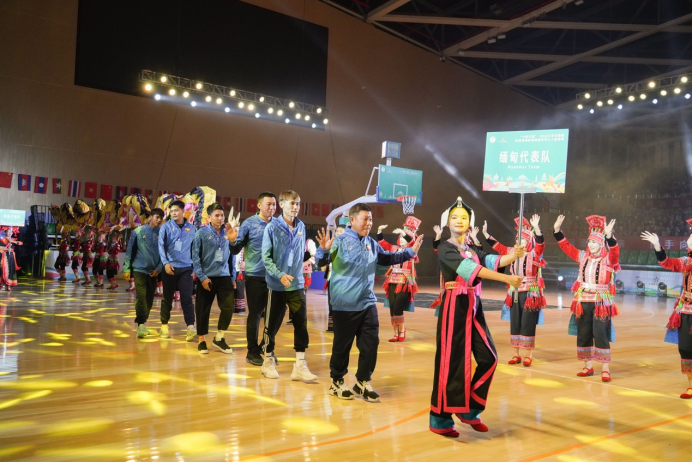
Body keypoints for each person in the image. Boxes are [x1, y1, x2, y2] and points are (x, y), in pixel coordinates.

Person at [429, 197, 524, 438]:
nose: (459, 220)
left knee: (489, 358)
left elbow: (491, 261)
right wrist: (507, 279)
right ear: (447, 222)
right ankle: (440, 419)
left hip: (473, 305)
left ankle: (471, 410)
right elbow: (471, 270)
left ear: (470, 223)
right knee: (451, 363)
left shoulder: (471, 249)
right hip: (454, 306)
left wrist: (514, 255)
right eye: (454, 217)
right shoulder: (445, 248)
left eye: (463, 217)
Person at [315, 203, 424, 402]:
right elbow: (321, 263)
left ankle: (362, 381)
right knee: (342, 346)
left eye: (371, 219)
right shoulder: (340, 242)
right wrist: (322, 251)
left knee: (370, 344)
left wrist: (410, 252)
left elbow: (388, 258)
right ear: (352, 220)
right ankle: (337, 381)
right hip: (345, 304)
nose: (369, 223)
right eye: (365, 219)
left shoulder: (371, 243)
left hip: (367, 302)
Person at [553, 215, 619, 383]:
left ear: (601, 243)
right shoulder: (583, 256)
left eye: (594, 242)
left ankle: (605, 369)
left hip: (600, 302)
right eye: (589, 242)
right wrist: (557, 231)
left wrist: (609, 236)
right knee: (583, 334)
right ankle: (588, 366)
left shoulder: (608, 259)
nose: (591, 245)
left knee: (600, 333)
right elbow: (567, 247)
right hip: (582, 301)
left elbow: (615, 252)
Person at [260, 190, 317, 381]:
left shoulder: (301, 226)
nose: (295, 207)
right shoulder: (272, 227)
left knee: (301, 323)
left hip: (296, 284)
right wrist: (280, 275)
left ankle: (300, 364)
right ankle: (268, 360)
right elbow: (266, 258)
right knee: (271, 324)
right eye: (292, 203)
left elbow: (300, 254)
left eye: (298, 204)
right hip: (277, 284)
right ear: (282, 204)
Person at [483, 215, 546, 367]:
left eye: (522, 239)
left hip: (530, 292)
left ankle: (528, 354)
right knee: (515, 322)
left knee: (528, 323)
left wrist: (536, 228)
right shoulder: (511, 251)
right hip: (514, 291)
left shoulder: (535, 253)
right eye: (517, 239)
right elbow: (498, 247)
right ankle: (516, 353)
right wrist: (486, 234)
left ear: (528, 241)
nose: (518, 241)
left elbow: (540, 244)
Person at [641, 219, 692, 399]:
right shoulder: (686, 260)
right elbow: (667, 263)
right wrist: (657, 246)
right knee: (686, 349)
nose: (690, 238)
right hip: (686, 310)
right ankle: (691, 385)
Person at [229, 192, 277, 366]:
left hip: (275, 277)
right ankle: (252, 351)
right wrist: (232, 240)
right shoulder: (249, 223)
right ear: (259, 205)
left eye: (274, 204)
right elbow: (236, 249)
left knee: (274, 315)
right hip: (255, 276)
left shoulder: (278, 224)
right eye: (268, 204)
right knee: (255, 315)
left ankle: (267, 347)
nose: (272, 207)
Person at [192, 203, 239, 355]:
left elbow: (232, 256)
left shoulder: (228, 232)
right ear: (209, 217)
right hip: (207, 277)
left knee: (229, 307)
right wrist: (202, 277)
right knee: (202, 309)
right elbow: (195, 257)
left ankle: (219, 337)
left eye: (222, 215)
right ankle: (201, 340)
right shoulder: (201, 233)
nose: (220, 218)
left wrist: (232, 276)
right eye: (217, 215)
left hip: (224, 276)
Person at [158, 200, 197, 341]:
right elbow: (161, 246)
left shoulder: (192, 228)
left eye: (176, 210)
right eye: (171, 211)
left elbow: (195, 249)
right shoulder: (166, 227)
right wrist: (165, 263)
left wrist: (195, 267)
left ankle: (190, 326)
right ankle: (164, 325)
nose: (173, 213)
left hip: (186, 268)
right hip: (170, 268)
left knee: (187, 298)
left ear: (183, 211)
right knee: (167, 298)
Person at [377, 216, 421, 343]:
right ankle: (395, 333)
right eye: (400, 236)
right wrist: (379, 231)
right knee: (392, 308)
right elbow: (383, 244)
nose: (401, 238)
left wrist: (403, 232)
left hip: (405, 282)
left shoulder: (412, 251)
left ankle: (402, 330)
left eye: (404, 237)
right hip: (392, 280)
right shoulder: (394, 249)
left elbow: (412, 241)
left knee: (397, 308)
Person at [123, 209, 165, 338]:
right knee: (141, 296)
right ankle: (140, 324)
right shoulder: (138, 231)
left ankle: (143, 322)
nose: (159, 220)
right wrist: (127, 268)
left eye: (161, 218)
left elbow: (164, 254)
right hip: (139, 269)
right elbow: (130, 250)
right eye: (157, 217)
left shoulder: (163, 233)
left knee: (149, 298)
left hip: (154, 271)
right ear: (150, 217)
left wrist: (158, 269)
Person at [323, 224, 347, 333]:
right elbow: (325, 261)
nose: (338, 233)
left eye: (341, 231)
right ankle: (332, 326)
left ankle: (342, 326)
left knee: (342, 303)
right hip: (332, 278)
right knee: (331, 302)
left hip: (343, 279)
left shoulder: (348, 245)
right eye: (337, 231)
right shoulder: (331, 245)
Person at [0, 227, 22, 291]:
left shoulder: (13, 240)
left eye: (11, 232)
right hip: (4, 256)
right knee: (3, 270)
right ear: (5, 232)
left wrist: (11, 241)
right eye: (8, 231)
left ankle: (8, 285)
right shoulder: (2, 239)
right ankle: (1, 284)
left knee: (11, 270)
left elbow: (21, 243)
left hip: (11, 257)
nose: (10, 233)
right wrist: (6, 249)